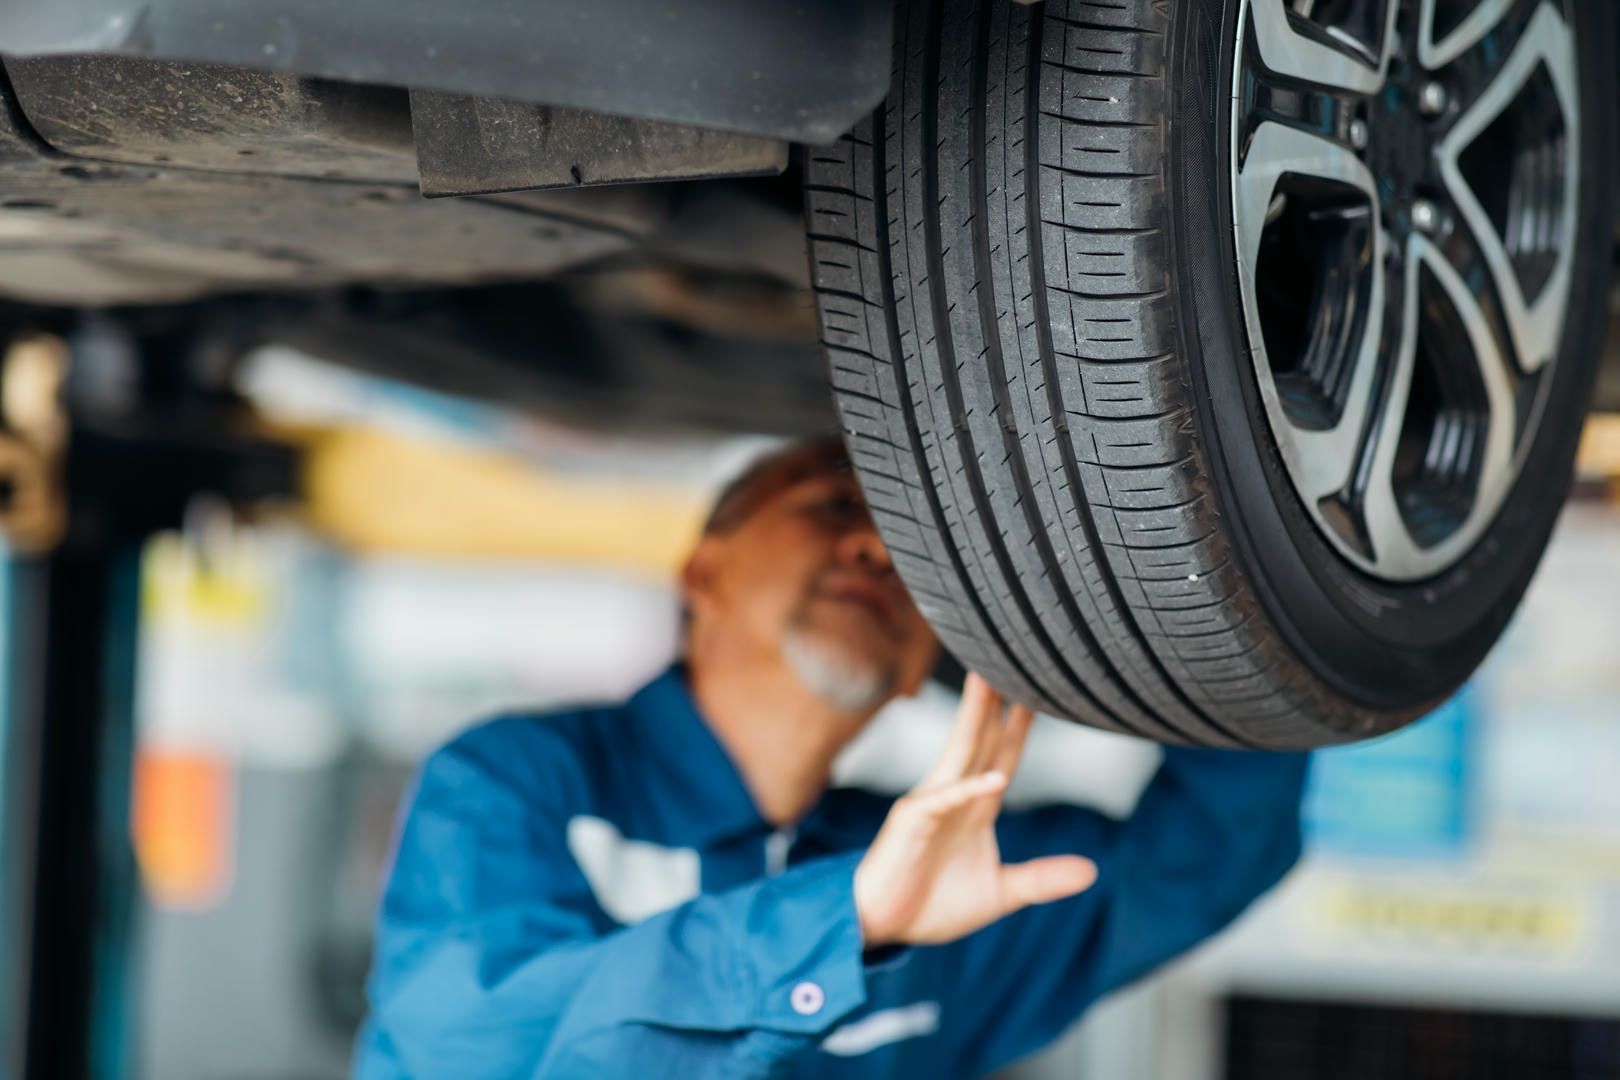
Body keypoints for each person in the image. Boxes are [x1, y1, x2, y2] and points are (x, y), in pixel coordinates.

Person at [354, 436, 1309, 1078]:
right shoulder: (519, 785)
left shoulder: (935, 880)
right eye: (833, 501)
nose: (875, 545)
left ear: (917, 669)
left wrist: (1242, 561)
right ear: (703, 571)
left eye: (913, 542)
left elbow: (1207, 856)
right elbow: (476, 1050)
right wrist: (842, 924)